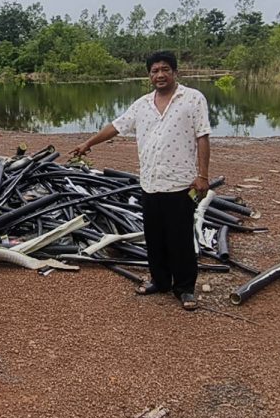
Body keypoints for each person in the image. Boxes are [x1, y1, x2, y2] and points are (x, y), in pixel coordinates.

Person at [71, 51, 211, 310]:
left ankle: (185, 289)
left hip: (180, 184)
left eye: (165, 69)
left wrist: (202, 175)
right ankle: (160, 281)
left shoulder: (193, 99)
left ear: (175, 72)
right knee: (154, 237)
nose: (160, 75)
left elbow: (202, 136)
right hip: (150, 182)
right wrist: (88, 143)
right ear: (149, 75)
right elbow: (116, 126)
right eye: (155, 71)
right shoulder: (142, 104)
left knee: (180, 238)